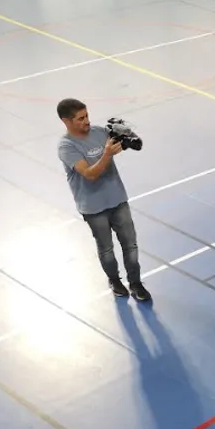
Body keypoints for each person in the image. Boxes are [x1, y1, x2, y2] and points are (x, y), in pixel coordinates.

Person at [56, 98, 150, 302]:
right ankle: (115, 280)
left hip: (118, 199)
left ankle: (135, 282)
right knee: (106, 249)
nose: (86, 121)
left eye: (87, 115)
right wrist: (107, 153)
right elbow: (90, 174)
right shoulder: (66, 147)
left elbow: (132, 145)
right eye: (80, 118)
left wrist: (127, 138)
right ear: (66, 122)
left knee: (130, 245)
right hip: (93, 208)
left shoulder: (100, 132)